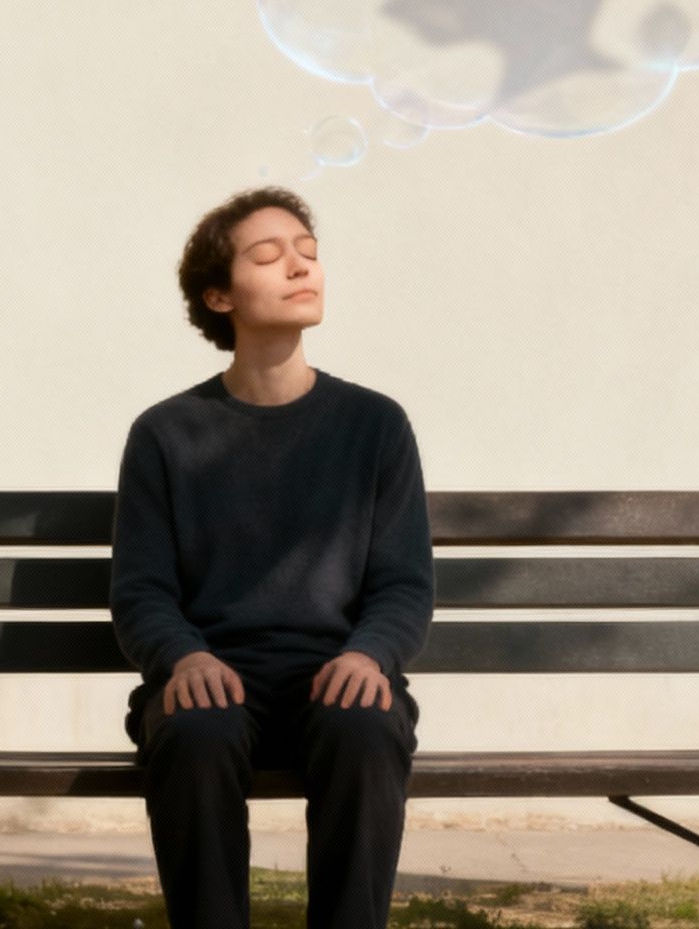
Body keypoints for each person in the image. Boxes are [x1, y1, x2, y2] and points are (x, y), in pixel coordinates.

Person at [109, 186, 434, 929]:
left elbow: (404, 585)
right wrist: (181, 658)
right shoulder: (166, 434)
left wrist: (371, 656)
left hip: (333, 674)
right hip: (212, 677)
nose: (300, 267)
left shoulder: (375, 425)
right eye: (269, 255)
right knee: (194, 730)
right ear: (219, 295)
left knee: (366, 724)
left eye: (309, 254)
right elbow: (141, 589)